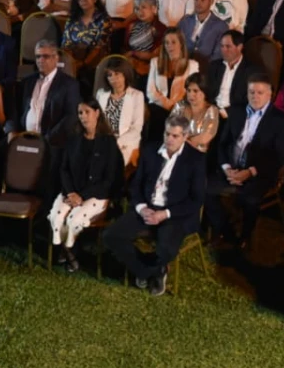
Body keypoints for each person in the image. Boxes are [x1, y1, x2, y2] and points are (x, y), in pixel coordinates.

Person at [104, 115, 206, 297]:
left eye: (175, 136)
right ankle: (150, 271)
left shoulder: (195, 160)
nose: (169, 139)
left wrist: (164, 214)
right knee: (111, 236)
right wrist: (142, 208)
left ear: (185, 136)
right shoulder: (150, 150)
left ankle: (148, 269)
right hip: (147, 207)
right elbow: (136, 185)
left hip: (173, 214)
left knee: (166, 249)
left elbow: (196, 200)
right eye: (167, 134)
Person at [205, 75, 284, 250]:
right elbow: (222, 144)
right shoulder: (236, 112)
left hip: (258, 174)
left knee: (250, 200)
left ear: (270, 95)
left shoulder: (280, 120)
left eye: (260, 93)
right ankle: (226, 231)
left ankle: (245, 236)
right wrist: (227, 168)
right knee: (204, 189)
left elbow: (279, 156)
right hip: (231, 169)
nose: (255, 96)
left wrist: (250, 172)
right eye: (251, 92)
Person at [48, 99, 123, 272]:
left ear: (97, 113)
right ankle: (69, 253)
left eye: (87, 112)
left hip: (95, 194)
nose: (83, 116)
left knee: (74, 219)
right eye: (80, 113)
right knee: (57, 217)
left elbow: (109, 179)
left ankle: (69, 253)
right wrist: (71, 192)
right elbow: (64, 169)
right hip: (71, 191)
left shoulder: (108, 143)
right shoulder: (74, 139)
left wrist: (82, 196)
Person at [9, 40, 81, 144]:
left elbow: (70, 117)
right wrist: (12, 131)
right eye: (38, 56)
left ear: (56, 58)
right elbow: (15, 109)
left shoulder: (69, 85)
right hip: (24, 139)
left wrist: (46, 141)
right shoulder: (27, 82)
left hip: (51, 143)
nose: (40, 60)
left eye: (45, 56)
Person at [96, 56, 145, 168]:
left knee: (109, 164)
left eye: (117, 74)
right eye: (110, 75)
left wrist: (116, 143)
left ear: (125, 74)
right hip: (102, 140)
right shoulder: (101, 93)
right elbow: (97, 122)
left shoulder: (137, 95)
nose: (113, 79)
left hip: (124, 143)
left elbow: (136, 129)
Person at [146, 30, 199, 134]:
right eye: (167, 42)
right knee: (158, 116)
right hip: (159, 105)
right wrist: (168, 105)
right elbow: (150, 91)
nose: (170, 46)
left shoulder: (192, 65)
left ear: (181, 44)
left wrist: (176, 107)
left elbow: (193, 92)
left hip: (181, 107)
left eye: (173, 42)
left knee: (178, 120)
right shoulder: (155, 62)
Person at [62, 0, 112, 71]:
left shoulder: (103, 20)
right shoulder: (72, 20)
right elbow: (66, 44)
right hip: (74, 60)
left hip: (95, 62)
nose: (83, 0)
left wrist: (83, 63)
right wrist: (72, 63)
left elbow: (99, 47)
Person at [179, 0, 230, 64]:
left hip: (206, 68)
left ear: (211, 1)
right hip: (183, 65)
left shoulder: (221, 26)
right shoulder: (185, 21)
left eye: (202, 0)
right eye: (196, 0)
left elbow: (218, 55)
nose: (198, 3)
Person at [169, 73, 219, 154]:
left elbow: (205, 138)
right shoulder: (180, 105)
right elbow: (170, 128)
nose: (191, 94)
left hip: (197, 154)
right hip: (175, 151)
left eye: (195, 91)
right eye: (188, 90)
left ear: (204, 91)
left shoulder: (212, 110)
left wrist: (180, 142)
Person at [122, 0, 165, 77]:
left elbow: (156, 56)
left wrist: (133, 53)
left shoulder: (161, 29)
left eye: (143, 7)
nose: (140, 11)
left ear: (153, 8)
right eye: (137, 9)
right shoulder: (132, 25)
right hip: (129, 64)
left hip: (149, 68)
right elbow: (125, 48)